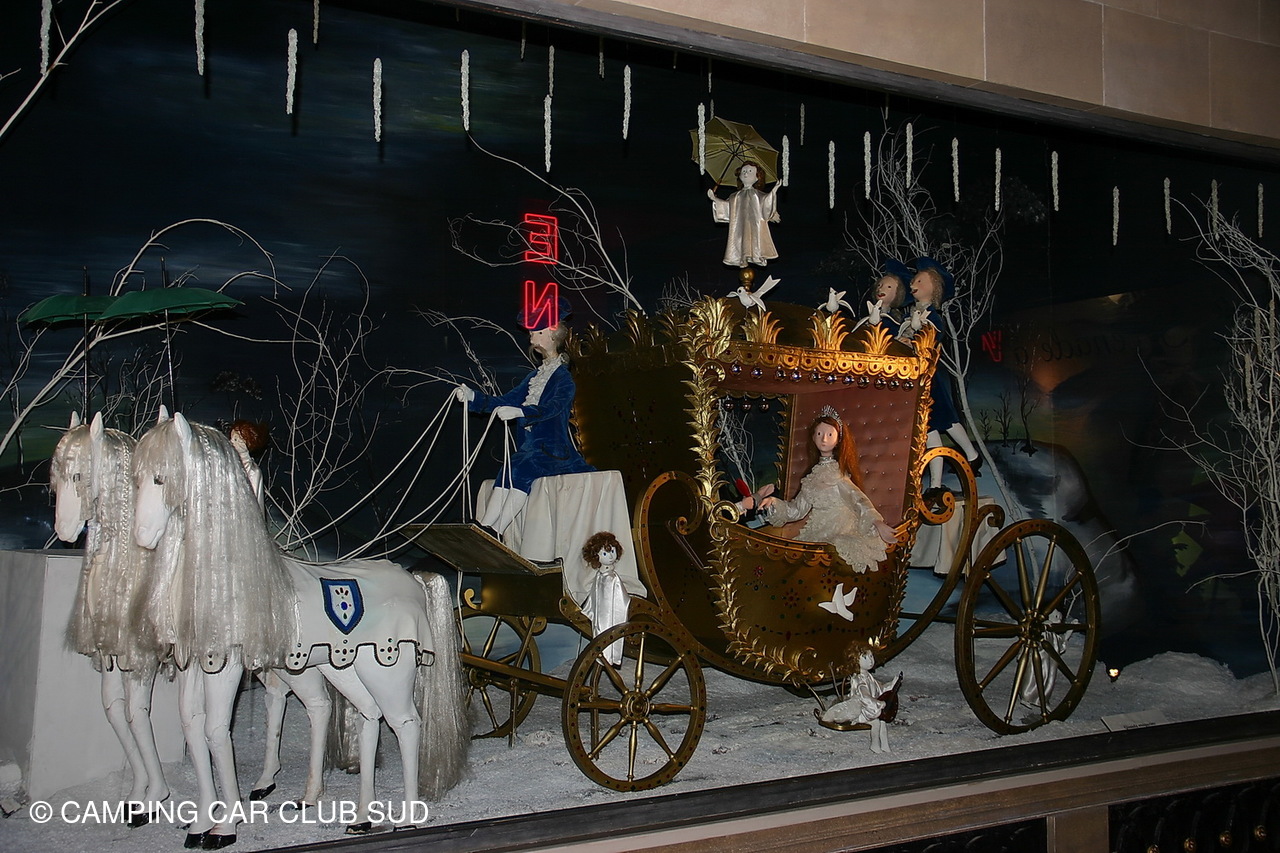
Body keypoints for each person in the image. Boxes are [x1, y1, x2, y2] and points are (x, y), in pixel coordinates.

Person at [454, 297, 594, 537]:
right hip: (531, 449)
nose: (531, 337)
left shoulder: (563, 379)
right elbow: (506, 400)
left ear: (552, 334)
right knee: (510, 468)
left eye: (537, 332)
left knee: (523, 469)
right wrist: (473, 397)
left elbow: (553, 408)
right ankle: (483, 528)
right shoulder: (533, 377)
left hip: (554, 453)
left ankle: (495, 530)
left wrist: (522, 412)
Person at [757, 409, 900, 572]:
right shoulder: (811, 478)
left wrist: (876, 522)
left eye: (829, 435)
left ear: (838, 439)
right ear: (813, 437)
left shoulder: (838, 475)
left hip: (840, 529)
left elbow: (858, 500)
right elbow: (796, 510)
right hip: (817, 530)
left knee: (830, 551)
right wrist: (773, 502)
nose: (824, 439)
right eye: (819, 434)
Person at [898, 257, 981, 490]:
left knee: (947, 421)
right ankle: (935, 485)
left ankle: (971, 454)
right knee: (929, 432)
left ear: (933, 287)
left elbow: (932, 337)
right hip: (917, 380)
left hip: (929, 379)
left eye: (920, 281)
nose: (914, 284)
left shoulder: (932, 317)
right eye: (913, 281)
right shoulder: (909, 316)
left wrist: (913, 342)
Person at [707, 161, 780, 268]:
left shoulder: (757, 194)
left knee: (754, 238)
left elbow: (766, 203)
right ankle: (742, 258)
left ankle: (756, 256)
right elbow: (727, 208)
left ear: (757, 177)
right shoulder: (735, 196)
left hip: (754, 223)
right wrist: (714, 198)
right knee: (740, 239)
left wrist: (774, 191)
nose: (746, 173)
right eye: (744, 171)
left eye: (750, 171)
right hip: (739, 225)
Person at [580, 531, 629, 665]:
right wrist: (590, 609)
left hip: (610, 615)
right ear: (596, 556)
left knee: (607, 633)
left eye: (612, 551)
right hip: (600, 614)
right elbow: (594, 593)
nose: (611, 556)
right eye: (605, 553)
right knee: (599, 631)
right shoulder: (600, 576)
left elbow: (621, 599)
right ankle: (602, 653)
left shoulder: (613, 578)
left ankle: (608, 655)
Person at [856, 258, 913, 332]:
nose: (880, 289)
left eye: (889, 287)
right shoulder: (868, 312)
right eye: (879, 285)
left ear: (898, 293)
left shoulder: (891, 322)